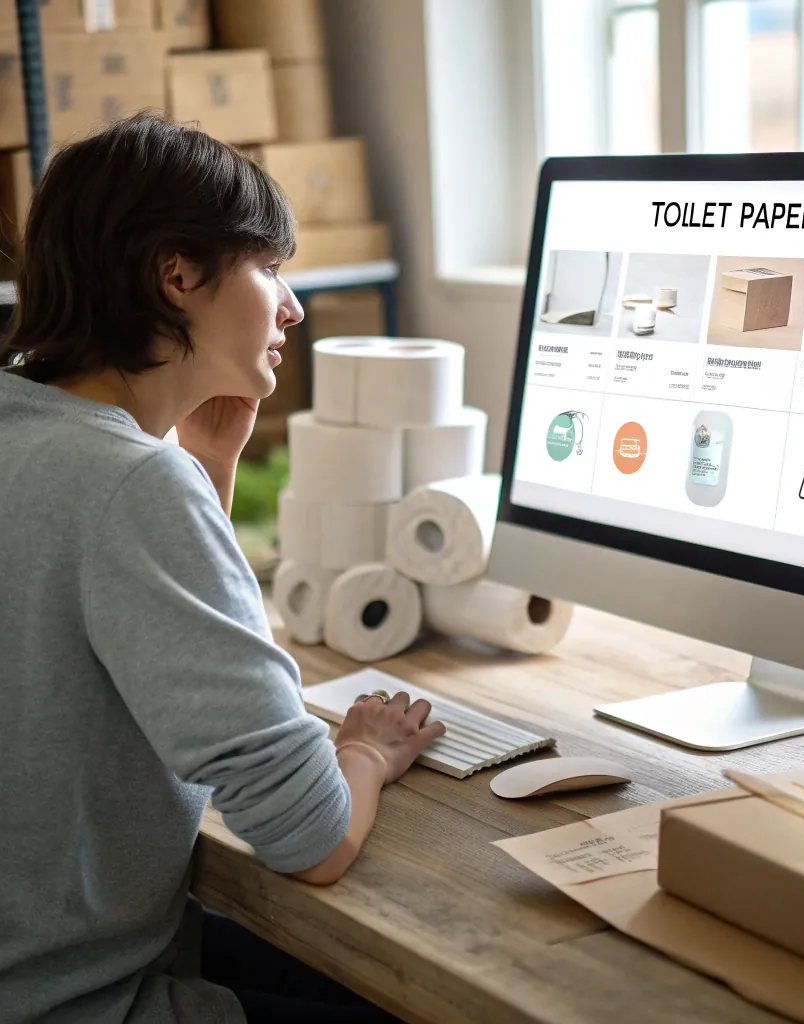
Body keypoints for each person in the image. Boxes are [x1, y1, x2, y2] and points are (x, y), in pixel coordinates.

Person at [0, 111, 445, 1024]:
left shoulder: (38, 437)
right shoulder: (128, 484)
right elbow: (311, 839)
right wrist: (364, 749)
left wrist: (204, 477)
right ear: (177, 275)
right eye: (268, 268)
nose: (294, 306)